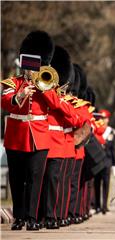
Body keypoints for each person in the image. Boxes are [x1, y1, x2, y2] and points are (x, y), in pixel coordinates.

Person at [1, 31, 60, 230]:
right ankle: (19, 217)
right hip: (16, 138)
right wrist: (21, 93)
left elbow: (56, 104)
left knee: (35, 179)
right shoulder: (13, 83)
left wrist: (42, 87)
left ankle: (33, 218)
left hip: (39, 138)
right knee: (17, 180)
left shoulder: (47, 83)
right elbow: (5, 102)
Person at [94, 109, 115, 214]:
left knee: (106, 184)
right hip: (97, 160)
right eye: (101, 118)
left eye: (105, 118)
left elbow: (113, 149)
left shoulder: (111, 131)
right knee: (97, 183)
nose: (103, 120)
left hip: (107, 160)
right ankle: (97, 205)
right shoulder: (95, 130)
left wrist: (114, 164)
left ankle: (105, 206)